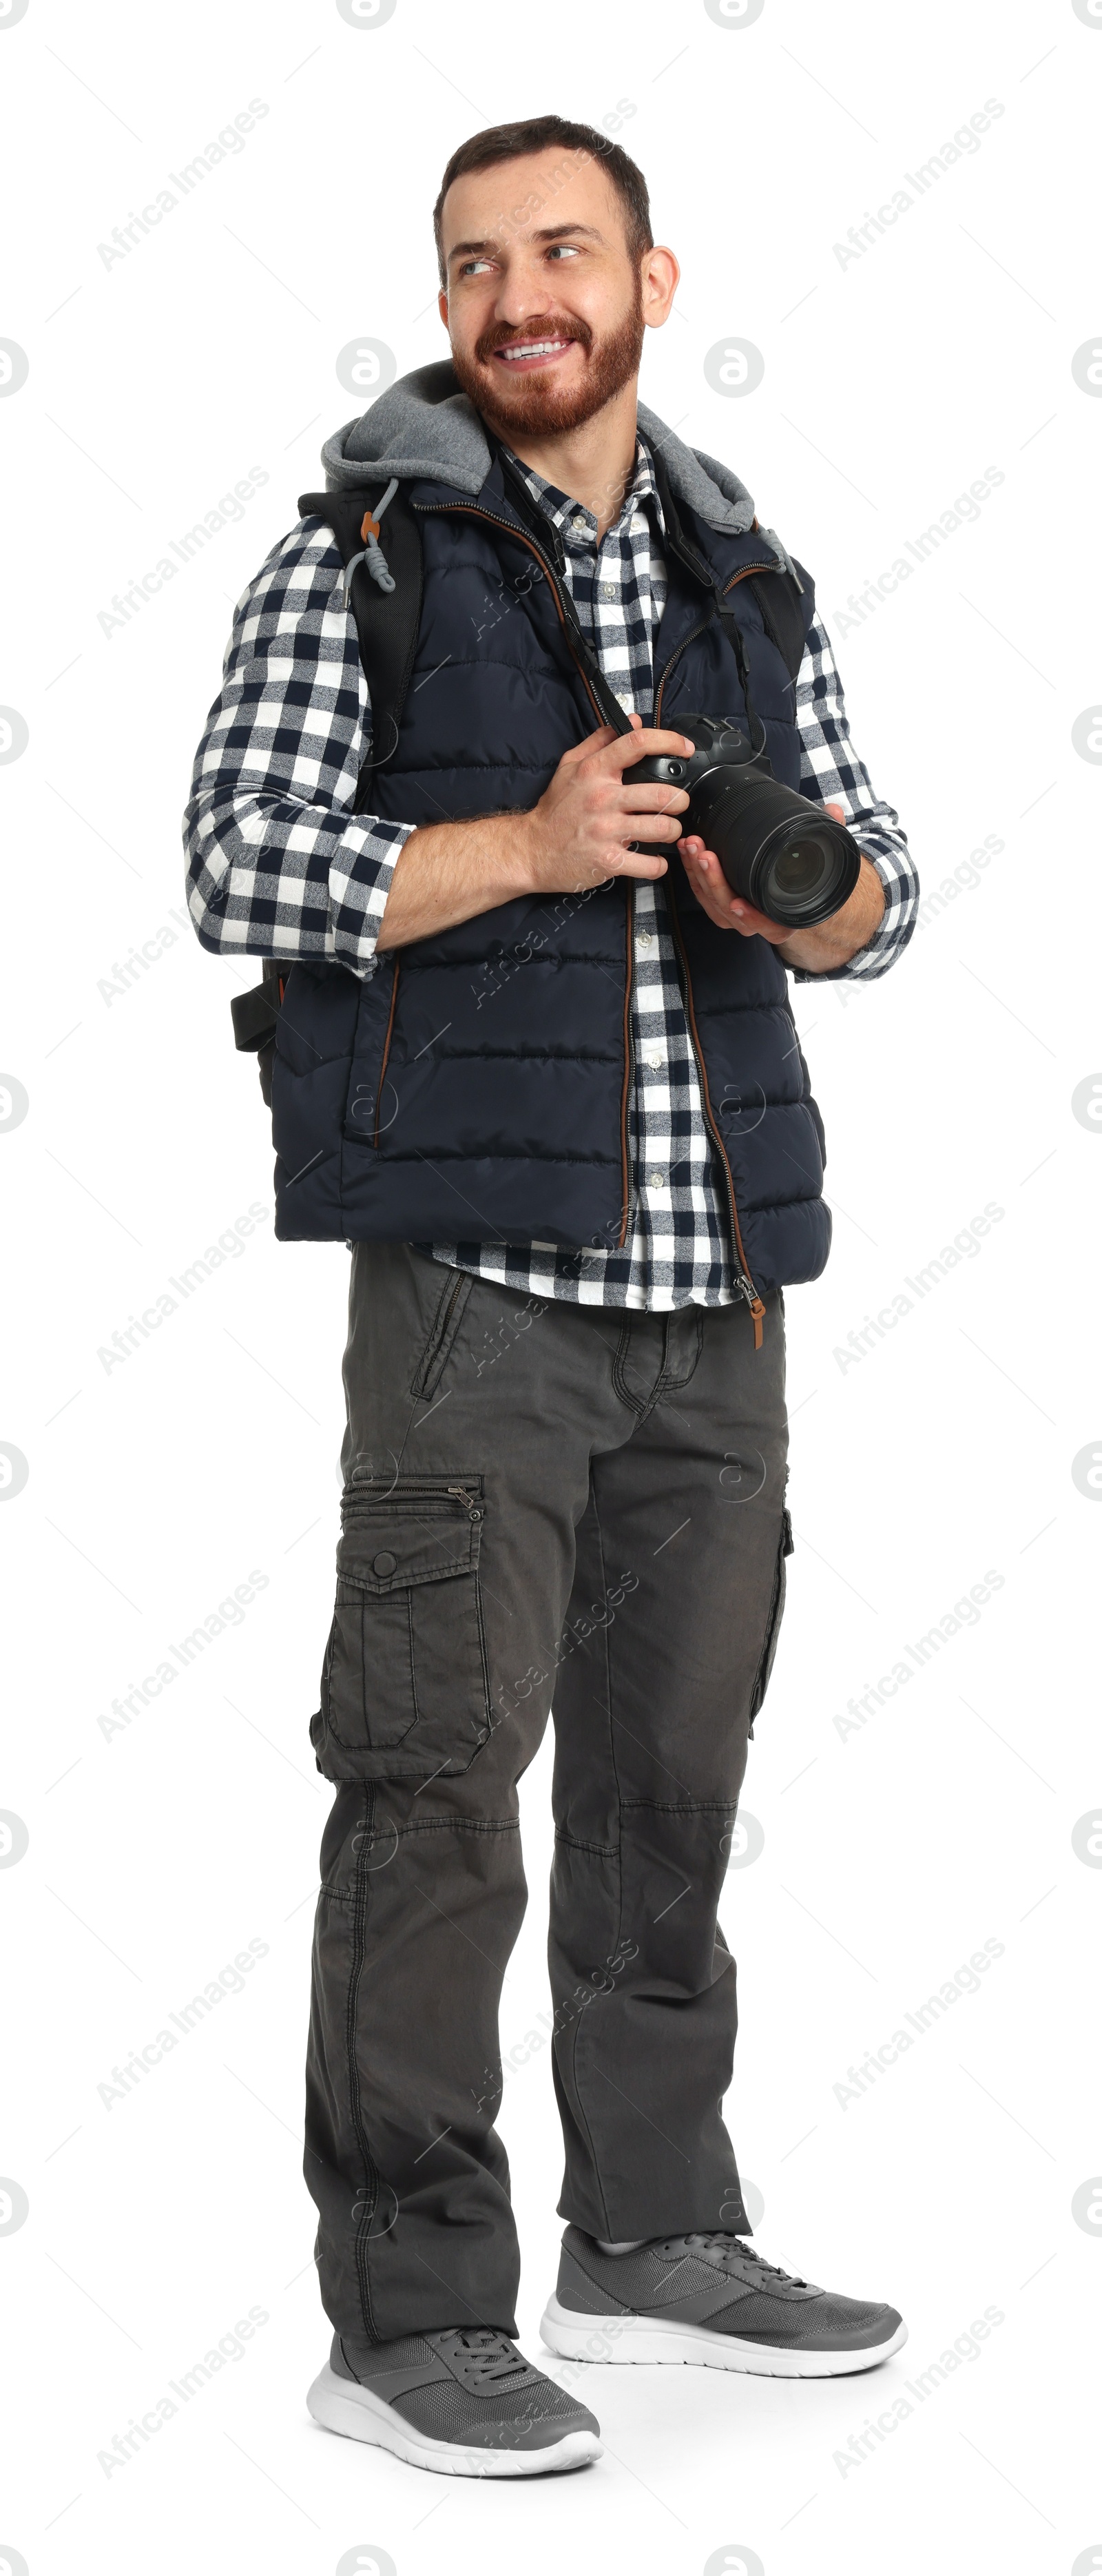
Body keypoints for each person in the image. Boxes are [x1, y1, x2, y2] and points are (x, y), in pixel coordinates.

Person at [184, 116, 918, 2481]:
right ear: (449, 297)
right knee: (433, 1795)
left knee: (666, 1793)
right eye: (481, 261)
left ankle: (658, 2231)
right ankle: (407, 2313)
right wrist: (520, 841)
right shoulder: (361, 558)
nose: (526, 295)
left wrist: (793, 901)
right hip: (475, 1296)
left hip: (723, 1295)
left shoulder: (745, 573)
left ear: (649, 279)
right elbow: (233, 858)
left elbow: (882, 879)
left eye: (565, 253)